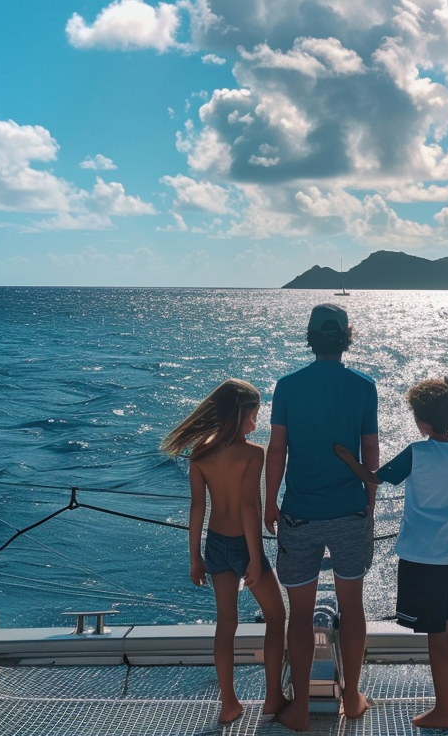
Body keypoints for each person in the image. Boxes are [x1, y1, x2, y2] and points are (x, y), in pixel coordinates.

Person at [334, 376, 448, 731]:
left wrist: (346, 458)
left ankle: (444, 711)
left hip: (423, 558)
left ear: (422, 420)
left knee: (436, 634)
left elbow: (374, 478)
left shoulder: (418, 452)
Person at [264, 303, 379, 731]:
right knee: (352, 605)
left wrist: (269, 502)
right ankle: (351, 697)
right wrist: (369, 501)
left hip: (299, 513)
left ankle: (298, 710)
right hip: (349, 510)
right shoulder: (364, 387)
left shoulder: (288, 386)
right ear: (347, 336)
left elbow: (278, 449)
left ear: (310, 338)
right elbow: (370, 453)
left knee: (300, 612)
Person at [161, 379, 288, 725]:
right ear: (240, 414)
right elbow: (249, 506)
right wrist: (255, 559)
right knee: (276, 617)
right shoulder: (253, 453)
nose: (255, 423)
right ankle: (273, 696)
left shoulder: (201, 453)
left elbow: (197, 509)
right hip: (245, 545)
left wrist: (195, 557)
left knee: (226, 625)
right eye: (253, 416)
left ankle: (229, 703)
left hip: (215, 544)